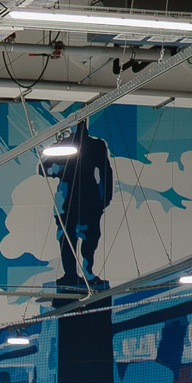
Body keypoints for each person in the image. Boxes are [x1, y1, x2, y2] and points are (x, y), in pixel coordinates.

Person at [41, 116, 114, 290]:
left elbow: (105, 171)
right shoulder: (61, 146)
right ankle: (70, 274)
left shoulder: (97, 145)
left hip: (89, 198)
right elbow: (43, 168)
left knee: (91, 238)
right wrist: (55, 167)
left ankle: (88, 272)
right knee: (67, 239)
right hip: (67, 200)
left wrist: (105, 198)